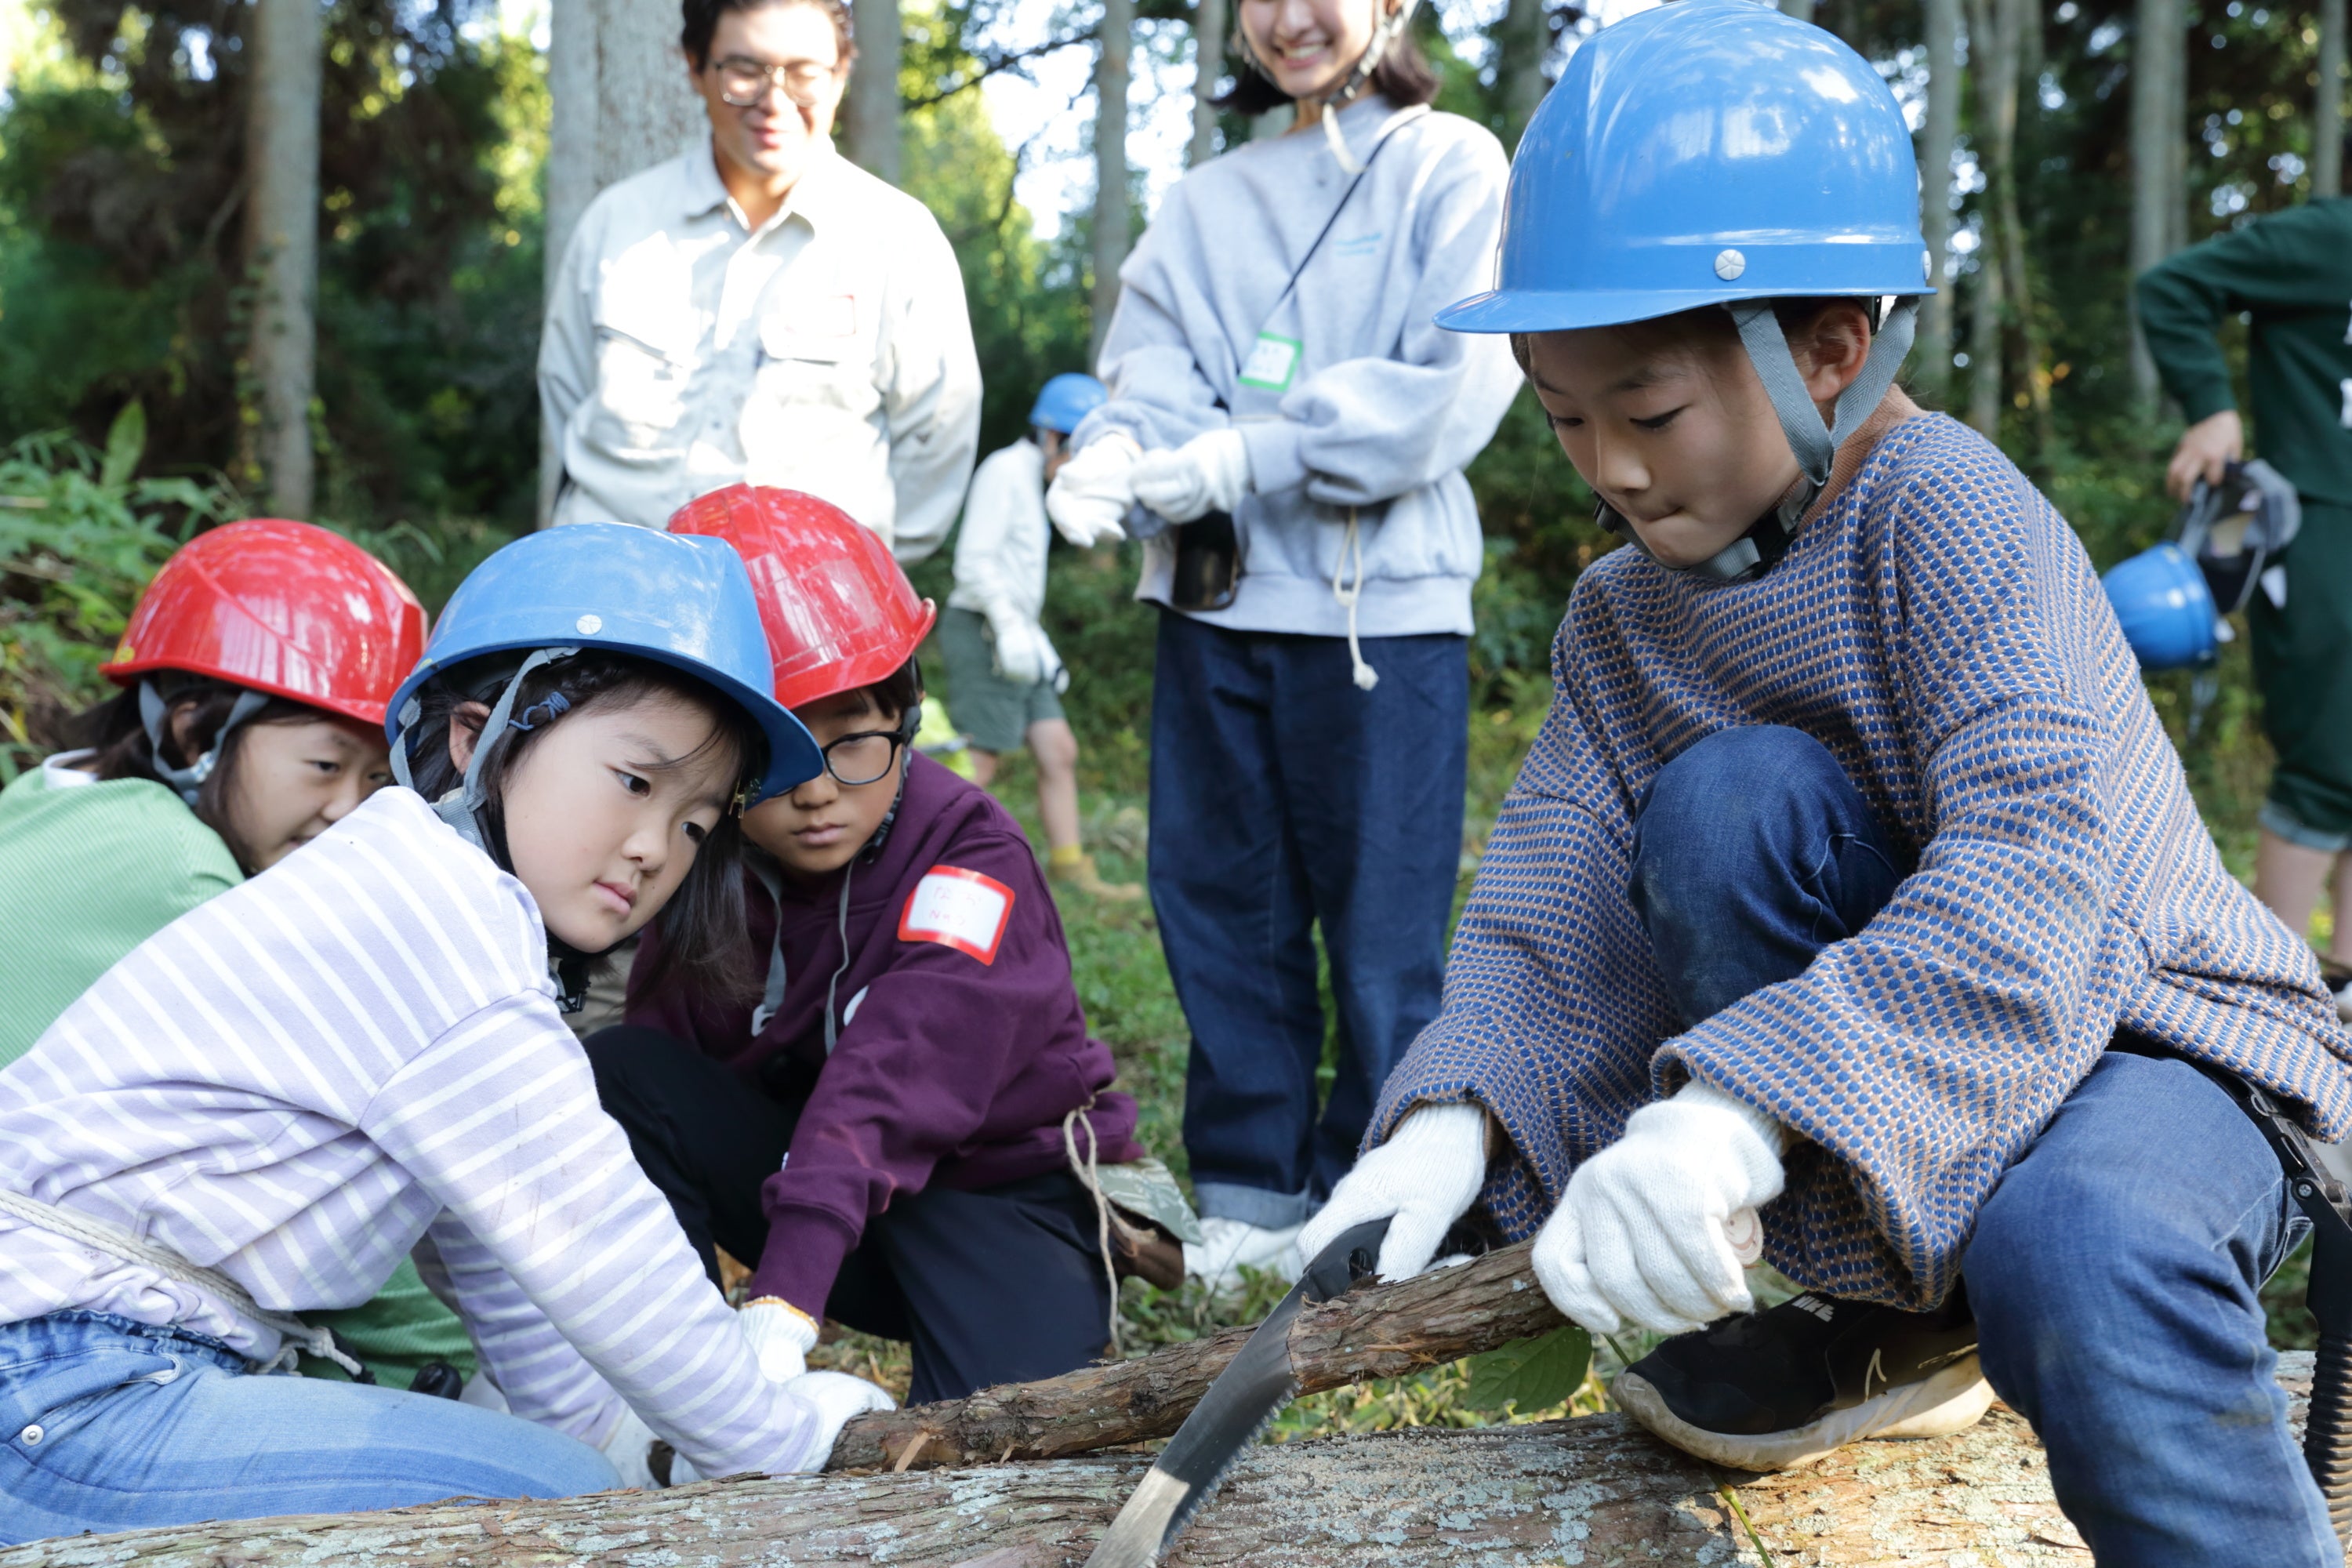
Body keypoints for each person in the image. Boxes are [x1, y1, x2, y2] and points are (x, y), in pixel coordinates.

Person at [1298, 6, 2352, 1564]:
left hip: (2151, 1037)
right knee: (1725, 806)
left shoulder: (1952, 512)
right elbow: (1555, 893)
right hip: (1893, 1101)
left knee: (2081, 1240)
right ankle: (1896, 1312)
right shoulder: (1622, 615)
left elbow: (2036, 872)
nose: (1610, 467)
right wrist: (1446, 1131)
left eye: (1649, 413)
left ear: (1832, 351)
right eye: (1566, 416)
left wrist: (1734, 1120)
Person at [0, 524, 891, 1542]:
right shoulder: (432, 919)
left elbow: (498, 1277)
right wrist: (777, 1447)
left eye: (695, 823)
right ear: (478, 738)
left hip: (85, 1364)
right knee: (545, 1501)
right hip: (53, 1376)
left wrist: (625, 1449)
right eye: (635, 782)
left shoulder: (422, 900)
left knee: (566, 1475)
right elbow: (601, 1245)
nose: (654, 846)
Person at [1042, 0, 1520, 1286]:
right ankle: (1250, 1199)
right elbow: (1149, 367)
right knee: (1220, 906)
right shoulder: (1207, 197)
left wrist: (1248, 454)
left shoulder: (1449, 161)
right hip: (1215, 601)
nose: (1292, 17)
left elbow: (1452, 389)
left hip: (1381, 610)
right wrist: (1115, 452)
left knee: (1382, 927)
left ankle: (1383, 1196)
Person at [589, 486, 1191, 1407]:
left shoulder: (973, 859)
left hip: (992, 1191)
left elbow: (895, 1073)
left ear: (906, 715)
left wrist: (785, 1298)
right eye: (781, 754)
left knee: (993, 1438)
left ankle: (1065, 1260)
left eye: (853, 741)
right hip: (816, 1176)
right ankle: (681, 1378)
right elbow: (665, 1064)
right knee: (627, 1071)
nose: (818, 791)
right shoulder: (706, 854)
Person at [0, 518, 478, 1397]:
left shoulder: (53, 799)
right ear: (194, 733)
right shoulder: (176, 872)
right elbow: (303, 1179)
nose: (348, 810)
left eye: (375, 780)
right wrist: (450, 1370)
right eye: (325, 764)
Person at [538, 0, 981, 561]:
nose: (775, 101)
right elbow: (566, 396)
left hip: (813, 603)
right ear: (695, 67)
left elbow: (938, 440)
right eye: (745, 71)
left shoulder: (899, 240)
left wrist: (851, 575)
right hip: (611, 587)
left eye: (804, 73)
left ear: (842, 73)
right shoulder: (615, 224)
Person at [2137, 197, 2352, 1020]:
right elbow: (2174, 286)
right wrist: (2212, 407)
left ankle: (2341, 987)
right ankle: (2274, 1003)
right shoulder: (2331, 238)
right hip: (2322, 522)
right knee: (2327, 756)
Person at [942, 372, 1139, 902]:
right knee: (980, 761)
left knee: (1058, 749)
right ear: (1052, 436)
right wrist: (1008, 629)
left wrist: (1034, 640)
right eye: (1078, 450)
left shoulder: (1039, 481)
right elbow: (974, 563)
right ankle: (913, 865)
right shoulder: (1005, 471)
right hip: (984, 631)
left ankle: (1070, 865)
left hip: (1020, 636)